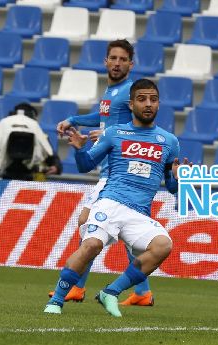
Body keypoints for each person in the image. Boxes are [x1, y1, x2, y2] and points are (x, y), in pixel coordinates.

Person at [44, 79, 191, 317]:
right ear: (131, 104)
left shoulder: (169, 142)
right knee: (91, 245)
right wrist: (80, 149)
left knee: (163, 245)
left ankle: (110, 292)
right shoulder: (114, 133)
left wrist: (180, 179)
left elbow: (172, 188)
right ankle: (57, 300)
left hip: (139, 213)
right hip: (111, 202)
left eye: (153, 99)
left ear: (159, 104)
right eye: (142, 99)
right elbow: (85, 166)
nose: (148, 104)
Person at [53, 39, 154, 306]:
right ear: (105, 61)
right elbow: (102, 116)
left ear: (131, 64)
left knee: (88, 225)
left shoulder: (129, 93)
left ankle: (75, 286)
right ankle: (143, 293)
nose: (117, 63)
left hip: (117, 172)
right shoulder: (112, 93)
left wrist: (110, 135)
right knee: (125, 236)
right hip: (110, 170)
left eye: (123, 59)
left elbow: (139, 126)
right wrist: (75, 120)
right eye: (114, 58)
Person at [0, 103, 62, 181]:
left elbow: (53, 158)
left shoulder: (39, 135)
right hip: (6, 178)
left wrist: (56, 167)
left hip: (31, 180)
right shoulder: (4, 130)